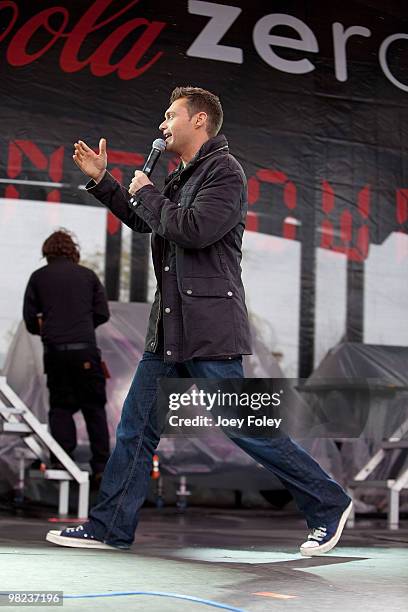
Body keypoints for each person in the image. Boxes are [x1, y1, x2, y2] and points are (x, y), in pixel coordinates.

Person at [45, 87, 352, 555]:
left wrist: (147, 192)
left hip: (209, 327)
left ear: (201, 121)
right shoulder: (181, 175)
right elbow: (149, 221)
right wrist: (106, 182)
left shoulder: (225, 172)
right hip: (169, 329)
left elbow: (193, 229)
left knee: (245, 426)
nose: (163, 124)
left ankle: (329, 504)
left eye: (171, 115)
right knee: (136, 426)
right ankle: (110, 528)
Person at [23, 230, 110, 484]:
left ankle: (62, 461)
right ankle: (101, 468)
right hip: (85, 350)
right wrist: (82, 328)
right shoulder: (88, 276)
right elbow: (102, 313)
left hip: (55, 352)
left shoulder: (38, 278)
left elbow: (30, 319)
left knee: (60, 408)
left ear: (46, 252)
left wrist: (49, 330)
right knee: (94, 408)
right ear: (73, 251)